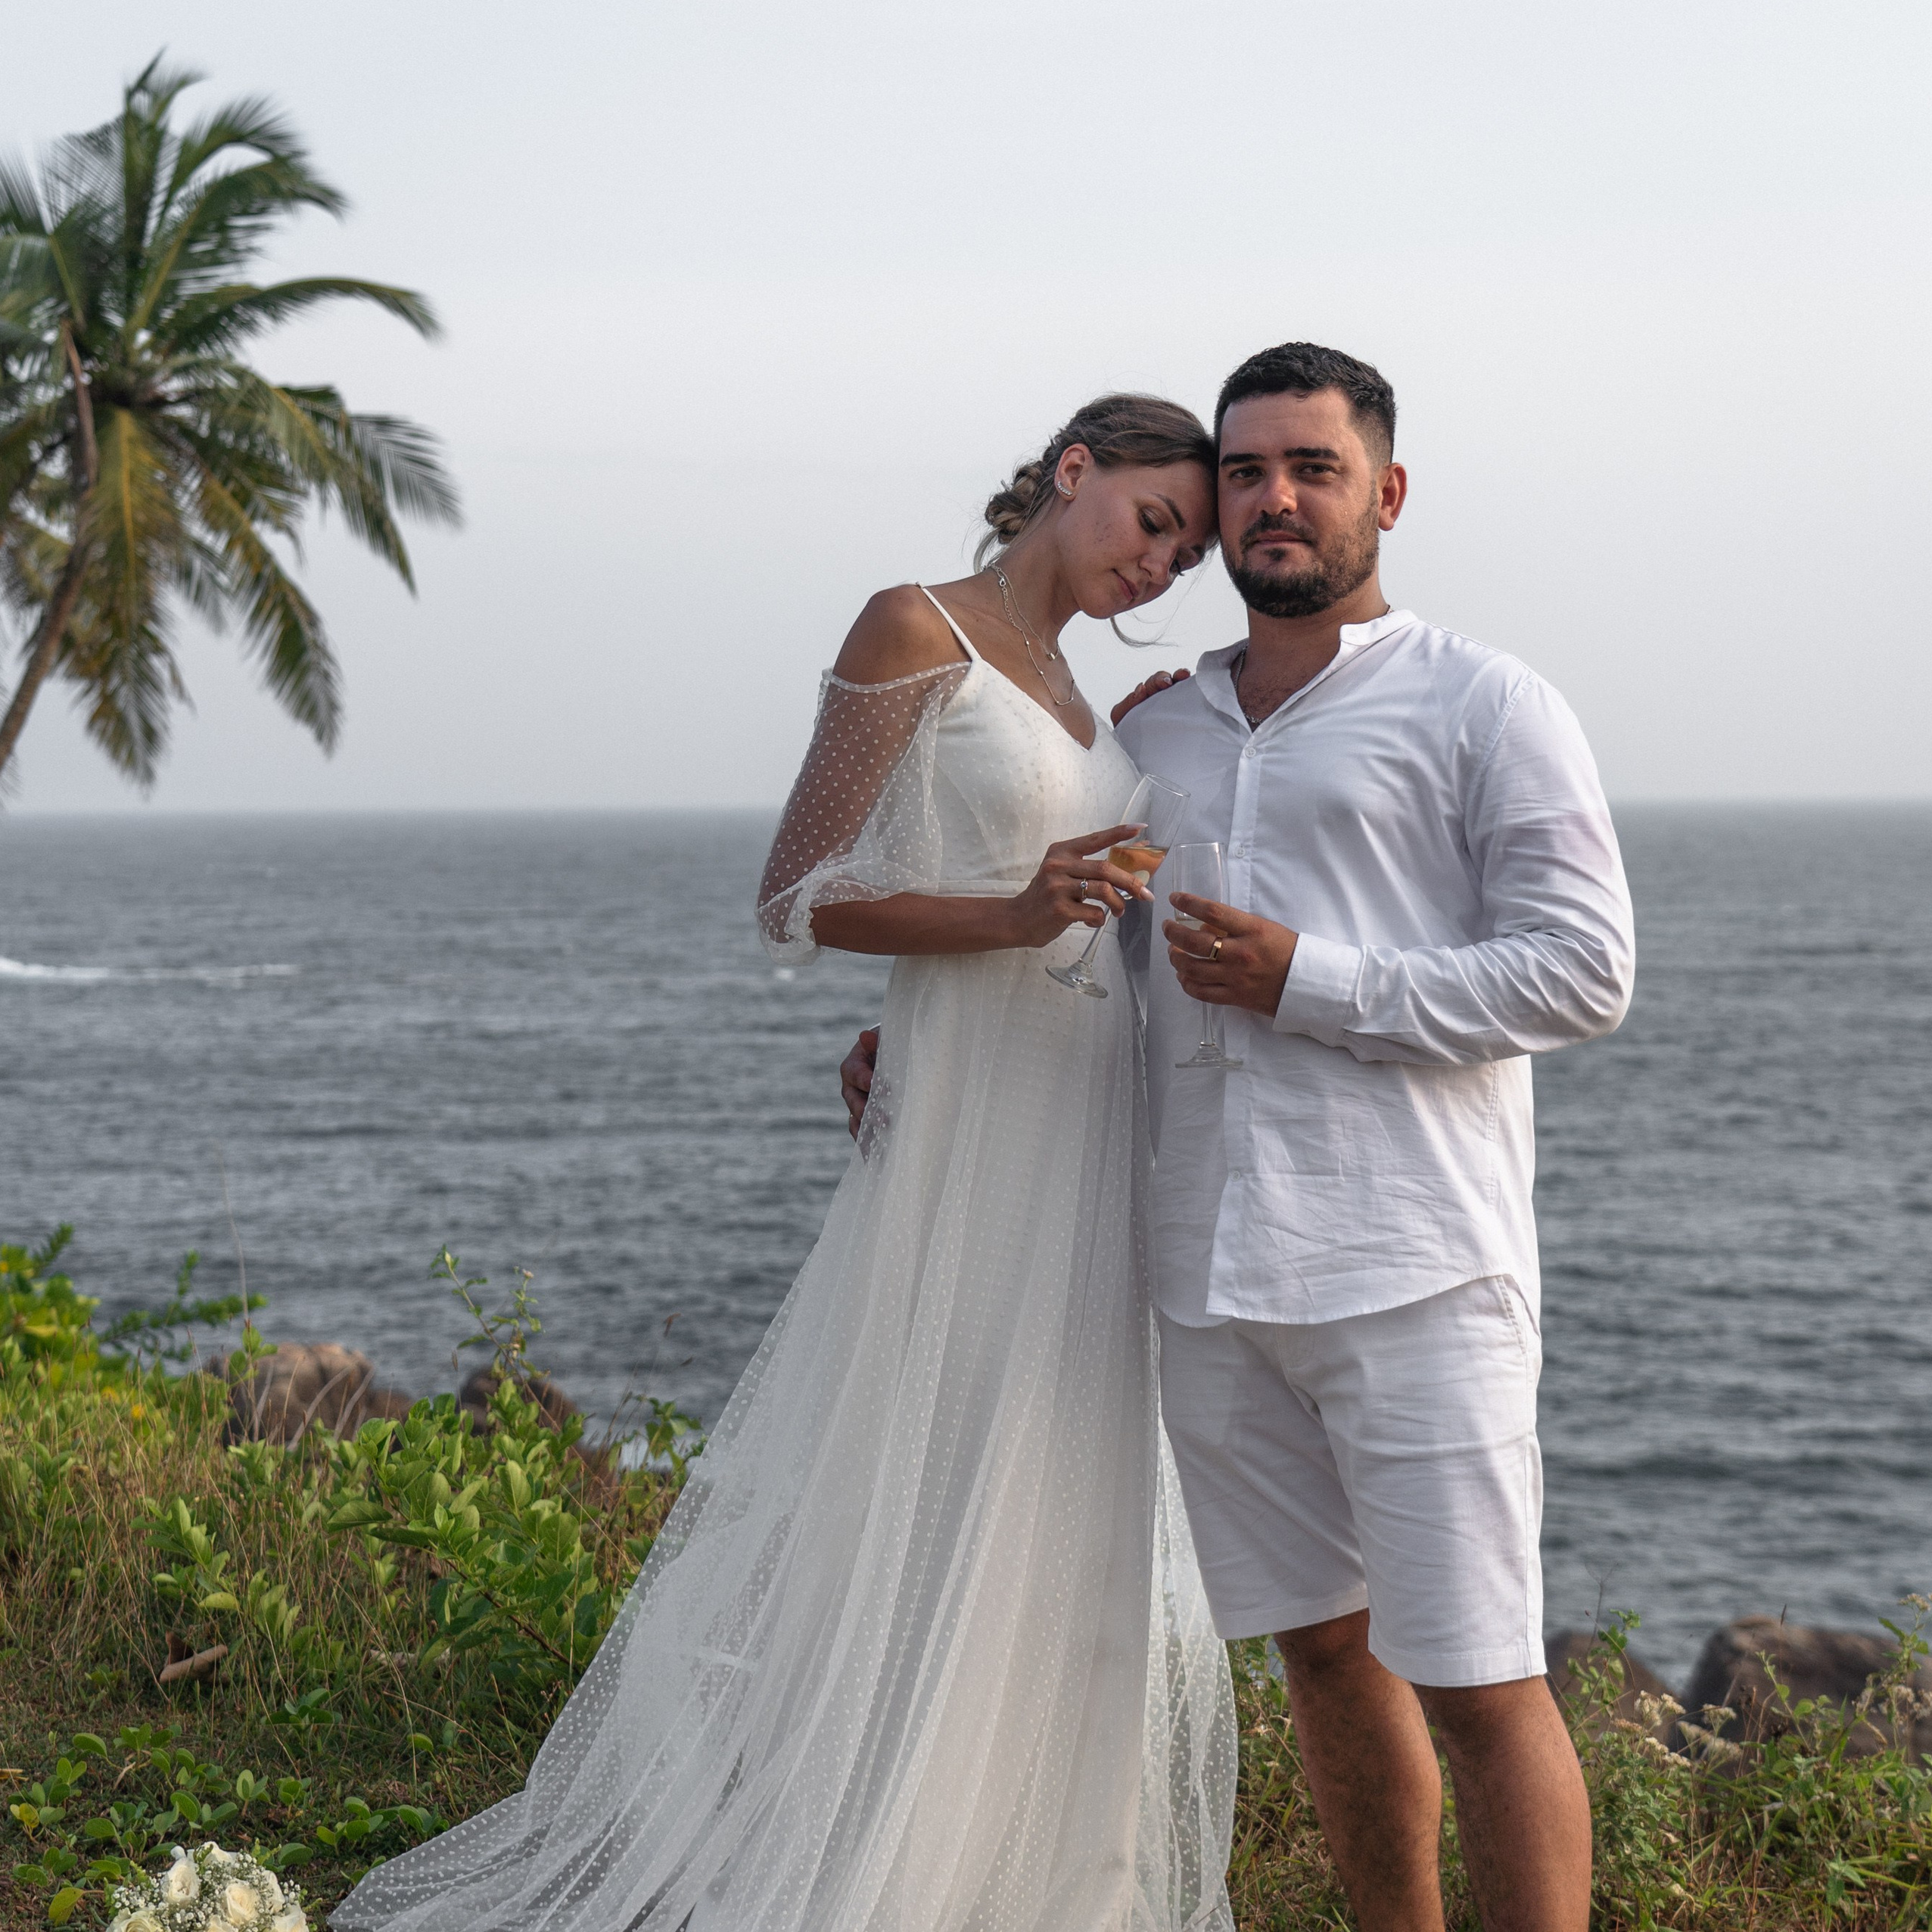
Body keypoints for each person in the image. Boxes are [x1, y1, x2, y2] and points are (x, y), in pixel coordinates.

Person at [333, 394, 1237, 1932]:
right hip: (969, 1113)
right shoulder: (914, 624)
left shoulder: (1096, 704)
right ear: (1071, 471)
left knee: (1059, 1470)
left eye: (1186, 552)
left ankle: (1046, 1872)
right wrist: (1008, 916)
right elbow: (796, 895)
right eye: (1153, 519)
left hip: (1089, 1108)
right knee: (928, 1455)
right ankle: (883, 1846)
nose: (1162, 562)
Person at [844, 343, 1636, 1932]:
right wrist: (928, 1034)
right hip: (1204, 1271)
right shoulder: (1162, 726)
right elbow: (1109, 951)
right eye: (1249, 473)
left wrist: (1308, 979)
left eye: (1312, 468)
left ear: (1383, 495)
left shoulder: (1485, 700)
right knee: (1319, 1658)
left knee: (1481, 1673)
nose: (1275, 498)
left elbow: (1581, 967)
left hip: (1414, 1267)